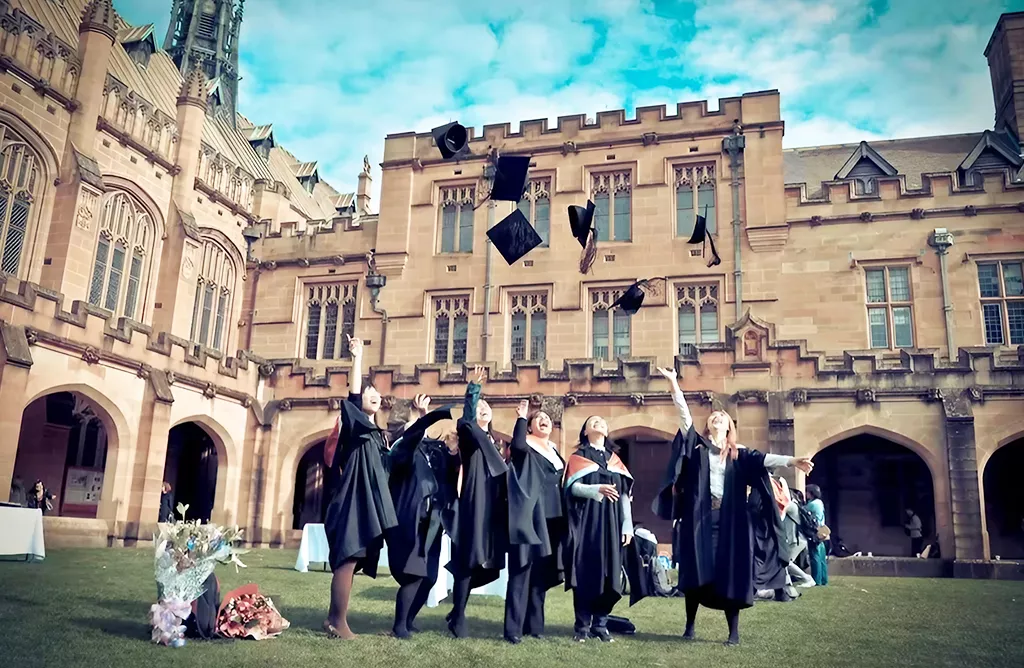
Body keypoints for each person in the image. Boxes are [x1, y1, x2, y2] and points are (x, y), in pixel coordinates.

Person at [652, 366, 813, 646]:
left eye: (722, 417)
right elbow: (683, 416)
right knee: (695, 570)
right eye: (713, 416)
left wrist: (792, 461)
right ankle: (689, 626)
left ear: (729, 427)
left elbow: (765, 459)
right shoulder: (698, 448)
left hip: (731, 522)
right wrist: (673, 384)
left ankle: (733, 632)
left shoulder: (739, 455)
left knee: (731, 573)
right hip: (700, 519)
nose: (716, 417)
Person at [321, 336, 397, 640]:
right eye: (369, 392)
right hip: (351, 500)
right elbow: (352, 396)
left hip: (366, 503)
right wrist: (358, 357)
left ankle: (334, 620)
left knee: (352, 562)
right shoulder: (354, 425)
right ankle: (337, 623)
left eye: (377, 392)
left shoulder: (380, 435)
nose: (373, 395)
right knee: (347, 559)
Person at [386, 394, 460, 639]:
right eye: (414, 420)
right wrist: (425, 416)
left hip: (433, 520)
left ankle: (408, 620)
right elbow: (412, 437)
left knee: (429, 577)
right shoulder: (401, 450)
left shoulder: (432, 450)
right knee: (414, 573)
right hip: (410, 518)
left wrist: (451, 453)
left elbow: (449, 477)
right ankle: (399, 626)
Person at [446, 366, 509, 639]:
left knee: (486, 564)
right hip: (474, 504)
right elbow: (467, 419)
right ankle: (458, 616)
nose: (483, 408)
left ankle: (456, 610)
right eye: (479, 406)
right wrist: (473, 390)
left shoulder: (496, 444)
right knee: (468, 561)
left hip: (493, 509)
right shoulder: (471, 437)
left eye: (487, 406)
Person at [563, 414, 635, 643]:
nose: (598, 423)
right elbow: (571, 489)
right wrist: (596, 490)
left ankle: (601, 624)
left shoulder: (616, 460)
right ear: (584, 431)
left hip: (612, 523)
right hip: (587, 524)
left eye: (601, 421)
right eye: (592, 422)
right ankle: (582, 626)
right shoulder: (578, 458)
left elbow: (624, 495)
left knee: (611, 574)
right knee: (586, 572)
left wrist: (628, 525)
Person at [504, 401, 566, 644]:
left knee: (541, 575)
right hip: (529, 517)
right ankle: (513, 630)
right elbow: (516, 447)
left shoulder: (554, 451)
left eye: (547, 418)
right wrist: (520, 418)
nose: (544, 420)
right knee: (521, 572)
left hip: (553, 519)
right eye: (537, 418)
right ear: (530, 427)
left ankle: (535, 626)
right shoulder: (525, 445)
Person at [777, 477, 815, 589]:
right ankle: (786, 583)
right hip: (796, 539)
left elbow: (778, 510)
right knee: (783, 562)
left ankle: (807, 578)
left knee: (785, 562)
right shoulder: (794, 505)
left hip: (795, 540)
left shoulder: (790, 505)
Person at [805, 484, 829, 586]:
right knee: (822, 557)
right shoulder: (820, 503)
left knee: (814, 557)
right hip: (822, 531)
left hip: (814, 532)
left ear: (811, 493)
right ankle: (824, 580)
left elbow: (802, 510)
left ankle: (816, 580)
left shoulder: (812, 504)